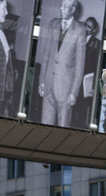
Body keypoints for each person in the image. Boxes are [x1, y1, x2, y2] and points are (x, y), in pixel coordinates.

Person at [38, 0, 86, 128]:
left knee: (62, 129)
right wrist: (42, 80)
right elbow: (46, 56)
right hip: (48, 85)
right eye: (61, 5)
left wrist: (73, 93)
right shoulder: (53, 24)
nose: (61, 8)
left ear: (73, 10)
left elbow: (80, 66)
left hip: (66, 90)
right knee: (45, 127)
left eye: (65, 7)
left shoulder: (80, 30)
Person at [72, 16, 101, 129]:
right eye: (85, 25)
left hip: (86, 81)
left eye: (89, 27)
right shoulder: (76, 39)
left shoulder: (97, 44)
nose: (85, 28)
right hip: (74, 78)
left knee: (83, 106)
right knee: (72, 104)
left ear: (93, 31)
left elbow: (97, 67)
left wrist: (93, 86)